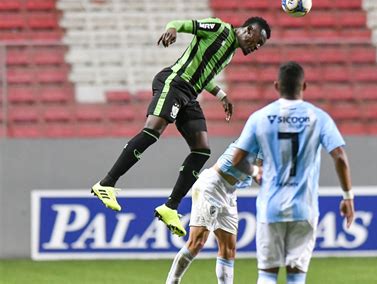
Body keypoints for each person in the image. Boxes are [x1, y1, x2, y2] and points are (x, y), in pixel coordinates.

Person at [91, 16, 271, 237]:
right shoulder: (219, 28)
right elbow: (182, 24)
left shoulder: (229, 52)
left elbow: (204, 75)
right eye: (258, 41)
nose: (256, 48)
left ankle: (170, 207)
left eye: (260, 46)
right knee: (152, 131)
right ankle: (106, 183)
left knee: (202, 149)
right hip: (175, 82)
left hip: (189, 95)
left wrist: (221, 95)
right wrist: (172, 30)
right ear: (249, 30)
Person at [232, 61, 355, 284]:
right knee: (296, 277)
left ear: (277, 86)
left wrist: (256, 171)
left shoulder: (260, 117)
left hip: (271, 206)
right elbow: (339, 156)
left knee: (267, 274)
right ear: (304, 86)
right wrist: (347, 197)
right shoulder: (319, 117)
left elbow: (237, 160)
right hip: (304, 209)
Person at [165, 140, 262, 284]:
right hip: (212, 185)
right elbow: (260, 172)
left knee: (229, 249)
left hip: (230, 191)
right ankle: (172, 282)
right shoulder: (262, 137)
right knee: (197, 242)